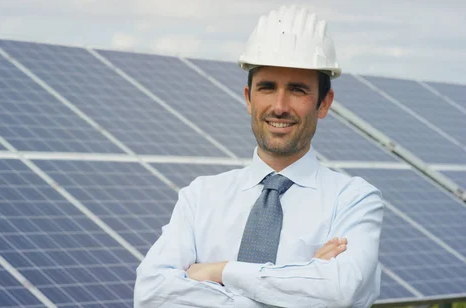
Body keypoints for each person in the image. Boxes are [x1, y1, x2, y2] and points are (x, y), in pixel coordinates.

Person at [134, 4, 383, 308]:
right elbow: (151, 294)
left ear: (324, 103)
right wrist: (302, 281)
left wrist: (220, 271)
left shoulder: (354, 200)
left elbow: (340, 291)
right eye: (267, 87)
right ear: (248, 98)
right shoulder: (200, 197)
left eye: (297, 90)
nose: (279, 106)